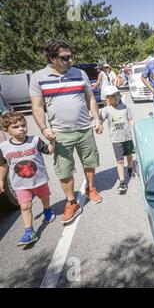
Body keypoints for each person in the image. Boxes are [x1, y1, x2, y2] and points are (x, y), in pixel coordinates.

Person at [30, 39, 103, 225]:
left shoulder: (80, 73)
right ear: (52, 58)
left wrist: (96, 119)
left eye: (71, 55)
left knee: (90, 161)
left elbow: (90, 98)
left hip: (85, 129)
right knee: (63, 170)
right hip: (60, 134)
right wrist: (44, 128)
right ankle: (72, 202)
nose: (70, 60)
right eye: (65, 57)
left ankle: (90, 188)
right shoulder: (38, 77)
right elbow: (37, 107)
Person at [0, 113, 55, 246]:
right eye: (16, 127)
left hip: (39, 180)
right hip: (20, 184)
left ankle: (47, 210)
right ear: (6, 130)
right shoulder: (3, 147)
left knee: (44, 197)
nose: (21, 129)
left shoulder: (35, 140)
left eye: (23, 125)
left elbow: (49, 151)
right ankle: (29, 232)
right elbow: (3, 165)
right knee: (25, 207)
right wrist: (1, 180)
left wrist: (52, 141)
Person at [99, 86, 134, 194]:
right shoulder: (106, 110)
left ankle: (130, 168)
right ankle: (122, 182)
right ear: (107, 98)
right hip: (116, 139)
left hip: (127, 137)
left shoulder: (125, 107)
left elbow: (130, 120)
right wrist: (98, 125)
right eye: (113, 96)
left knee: (129, 156)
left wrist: (134, 128)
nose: (116, 97)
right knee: (119, 160)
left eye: (117, 94)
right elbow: (99, 120)